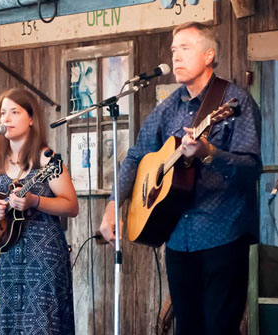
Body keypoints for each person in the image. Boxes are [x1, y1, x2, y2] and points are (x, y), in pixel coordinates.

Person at [99, 22, 262, 335]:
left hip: (223, 233)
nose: (175, 56)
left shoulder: (234, 101)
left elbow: (251, 168)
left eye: (185, 48)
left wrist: (208, 152)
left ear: (208, 55)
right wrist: (112, 204)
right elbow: (135, 157)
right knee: (185, 329)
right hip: (178, 238)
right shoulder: (168, 107)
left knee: (220, 329)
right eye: (173, 50)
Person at [0, 88, 79, 335]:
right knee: (8, 324)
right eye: (3, 113)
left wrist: (35, 201)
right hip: (9, 255)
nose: (6, 119)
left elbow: (71, 206)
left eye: (14, 112)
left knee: (42, 323)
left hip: (44, 254)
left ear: (31, 118)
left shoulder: (47, 159)